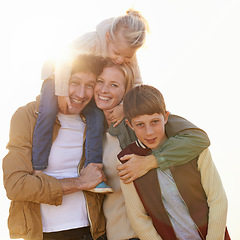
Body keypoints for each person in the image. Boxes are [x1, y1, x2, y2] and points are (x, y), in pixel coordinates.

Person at [32, 9, 149, 193]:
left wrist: (124, 107)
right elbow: (63, 59)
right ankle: (38, 167)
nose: (120, 60)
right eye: (117, 53)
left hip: (85, 81)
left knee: (96, 119)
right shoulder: (92, 40)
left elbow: (137, 84)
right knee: (47, 111)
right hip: (57, 75)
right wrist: (61, 92)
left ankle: (93, 172)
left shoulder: (127, 52)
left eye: (126, 57)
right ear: (108, 37)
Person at [93, 62, 211, 239]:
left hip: (154, 232)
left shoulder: (146, 124)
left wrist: (151, 161)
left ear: (126, 91)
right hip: (117, 233)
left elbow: (198, 139)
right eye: (100, 81)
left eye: (114, 85)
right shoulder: (93, 134)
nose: (104, 90)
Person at [2, 55, 109, 240]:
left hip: (91, 232)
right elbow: (16, 185)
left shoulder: (97, 120)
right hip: (43, 234)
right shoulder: (27, 117)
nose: (81, 93)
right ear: (59, 81)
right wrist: (81, 183)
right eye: (74, 82)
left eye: (90, 85)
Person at [117, 84, 230, 240]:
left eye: (155, 121)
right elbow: (139, 219)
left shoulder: (193, 147)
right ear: (130, 125)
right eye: (140, 124)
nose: (149, 132)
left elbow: (217, 199)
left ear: (166, 117)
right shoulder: (128, 162)